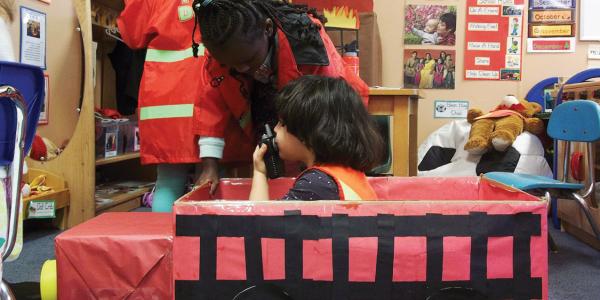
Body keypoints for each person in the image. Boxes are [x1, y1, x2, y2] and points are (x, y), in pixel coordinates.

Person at [191, 0, 370, 194]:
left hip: (324, 124)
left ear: (267, 29)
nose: (240, 69)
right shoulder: (223, 48)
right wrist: (210, 165)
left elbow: (330, 111)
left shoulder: (306, 39)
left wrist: (314, 170)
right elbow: (211, 107)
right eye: (231, 65)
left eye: (248, 61)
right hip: (266, 116)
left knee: (313, 182)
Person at [118, 0, 215, 212]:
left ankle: (164, 244)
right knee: (213, 181)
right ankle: (209, 244)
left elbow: (132, 35)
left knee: (169, 181)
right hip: (212, 91)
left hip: (166, 99)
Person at [249, 76, 383, 201]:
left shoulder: (315, 185)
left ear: (307, 134)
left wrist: (259, 173)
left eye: (282, 124)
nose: (275, 129)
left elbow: (262, 223)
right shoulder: (347, 176)